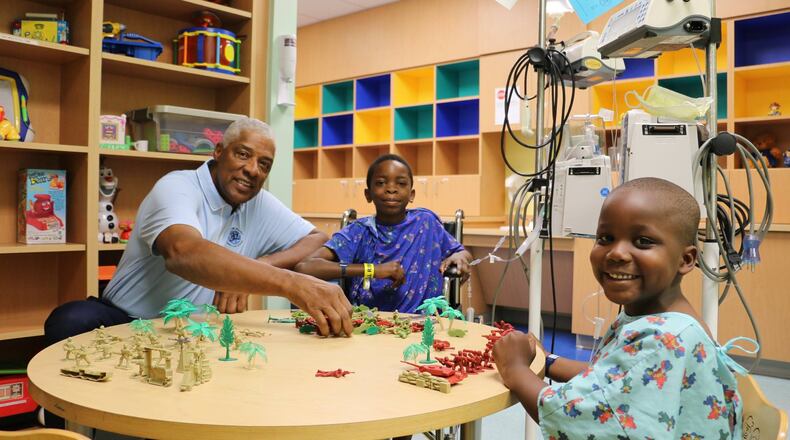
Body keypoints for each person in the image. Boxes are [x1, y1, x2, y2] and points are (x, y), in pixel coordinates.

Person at [45, 118, 353, 344]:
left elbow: (316, 240)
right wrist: (291, 284)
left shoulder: (258, 202)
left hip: (200, 330)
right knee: (71, 319)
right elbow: (184, 253)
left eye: (264, 164)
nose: (252, 169)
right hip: (129, 320)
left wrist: (255, 271)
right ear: (218, 152)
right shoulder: (176, 186)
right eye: (243, 154)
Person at [493, 177, 753, 439]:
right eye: (605, 238)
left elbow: (578, 418)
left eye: (642, 241)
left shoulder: (662, 339)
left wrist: (515, 370)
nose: (616, 253)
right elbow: (616, 379)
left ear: (686, 259)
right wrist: (547, 361)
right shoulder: (659, 319)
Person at [295, 154, 472, 313]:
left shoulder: (426, 223)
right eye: (381, 183)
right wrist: (371, 270)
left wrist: (460, 256)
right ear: (368, 194)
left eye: (401, 183)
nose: (391, 189)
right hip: (371, 326)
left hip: (425, 327)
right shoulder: (359, 231)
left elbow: (462, 253)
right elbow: (305, 267)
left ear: (411, 194)